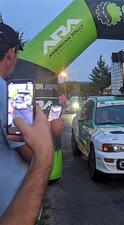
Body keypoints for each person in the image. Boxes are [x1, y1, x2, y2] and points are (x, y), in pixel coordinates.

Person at [0, 22, 63, 225]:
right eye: (17, 54)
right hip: (12, 209)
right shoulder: (7, 94)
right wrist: (51, 133)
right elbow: (30, 153)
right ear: (11, 53)